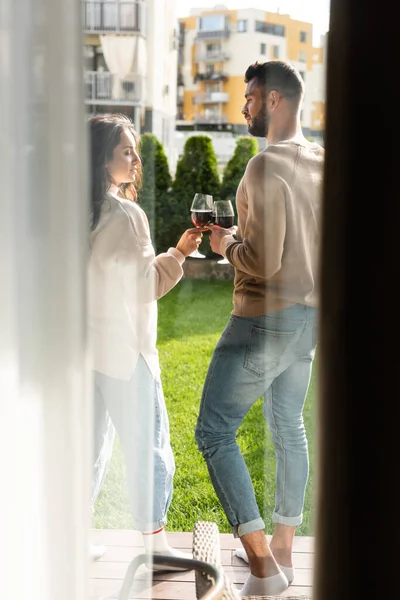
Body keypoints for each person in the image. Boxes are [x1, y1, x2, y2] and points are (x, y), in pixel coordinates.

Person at [195, 60, 324, 597]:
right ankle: (288, 553)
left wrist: (223, 243)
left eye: (249, 97)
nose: (243, 107)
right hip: (310, 321)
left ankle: (263, 569)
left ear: (273, 100)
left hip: (262, 320)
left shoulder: (264, 167)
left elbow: (263, 260)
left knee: (214, 430)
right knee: (288, 426)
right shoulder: (324, 159)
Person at [88, 113, 206, 566]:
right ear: (103, 159)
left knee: (89, 446)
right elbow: (145, 286)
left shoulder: (73, 213)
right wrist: (179, 253)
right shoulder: (127, 215)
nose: (136, 159)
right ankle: (155, 545)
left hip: (85, 352)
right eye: (126, 151)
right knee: (150, 447)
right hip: (126, 353)